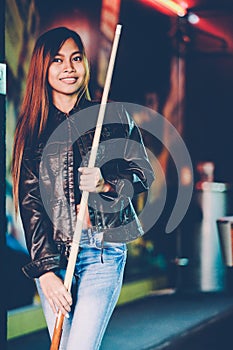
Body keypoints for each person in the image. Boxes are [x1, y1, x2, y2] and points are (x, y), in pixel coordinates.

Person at [12, 27, 154, 350]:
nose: (69, 68)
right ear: (43, 68)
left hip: (102, 251)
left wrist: (106, 183)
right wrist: (45, 272)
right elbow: (31, 205)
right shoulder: (33, 132)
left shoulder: (112, 115)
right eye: (58, 60)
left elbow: (143, 173)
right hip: (55, 257)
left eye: (76, 58)